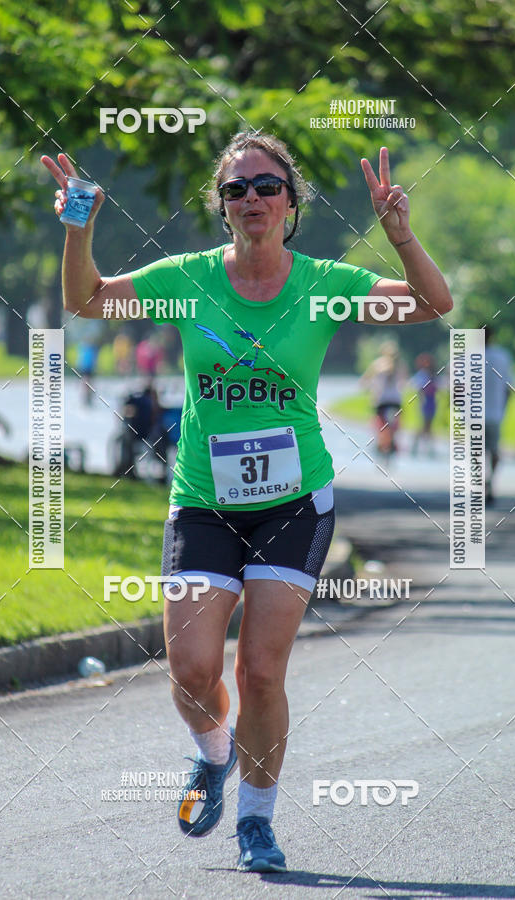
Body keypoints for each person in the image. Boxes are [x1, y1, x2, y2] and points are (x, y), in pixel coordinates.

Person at [41, 135, 453, 873]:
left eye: (267, 186)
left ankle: (258, 820)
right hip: (203, 500)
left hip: (294, 502)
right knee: (193, 669)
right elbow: (86, 299)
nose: (252, 200)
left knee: (261, 671)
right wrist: (78, 228)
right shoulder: (191, 279)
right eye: (236, 190)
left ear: (290, 203)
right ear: (222, 207)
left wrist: (401, 235)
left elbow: (432, 303)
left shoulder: (324, 283)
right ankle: (213, 753)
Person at [361, 340, 408, 458]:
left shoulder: (377, 364)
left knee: (379, 425)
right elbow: (404, 383)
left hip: (381, 401)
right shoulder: (401, 365)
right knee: (394, 426)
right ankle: (393, 443)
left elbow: (364, 381)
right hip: (396, 401)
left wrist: (369, 388)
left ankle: (381, 444)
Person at [484, 326, 514, 504]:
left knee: (476, 451)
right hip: (495, 412)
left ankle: (481, 480)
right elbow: (508, 387)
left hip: (474, 412)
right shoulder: (502, 357)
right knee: (494, 450)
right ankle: (491, 480)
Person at [410, 352, 439, 456]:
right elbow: (418, 388)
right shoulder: (422, 374)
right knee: (423, 425)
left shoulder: (433, 375)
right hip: (425, 401)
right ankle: (416, 446)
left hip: (432, 401)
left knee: (428, 426)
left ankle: (427, 448)